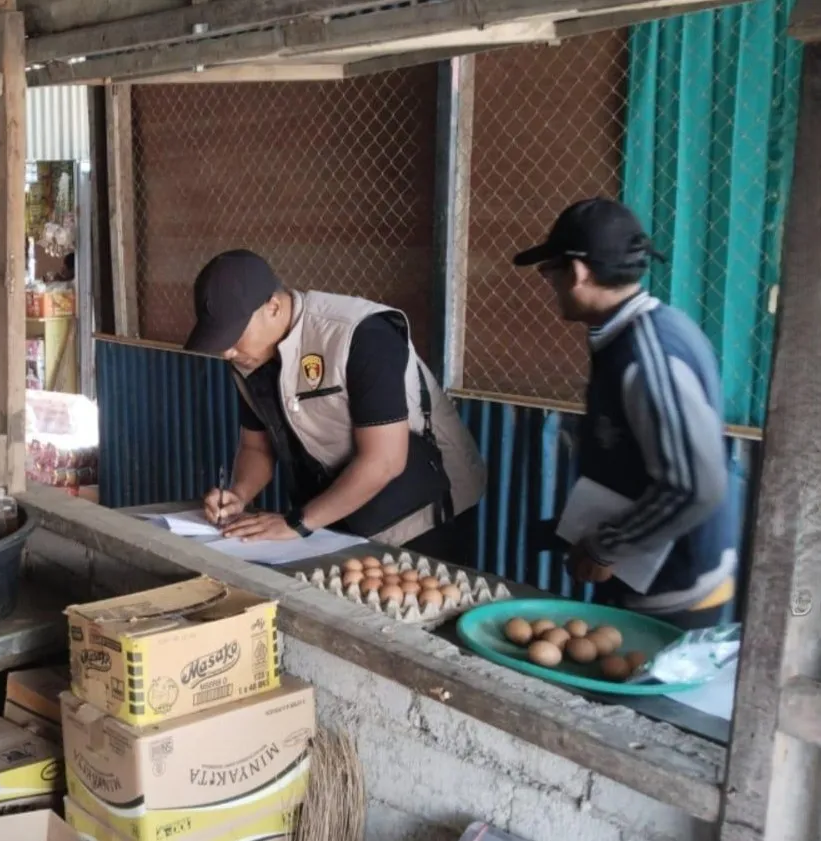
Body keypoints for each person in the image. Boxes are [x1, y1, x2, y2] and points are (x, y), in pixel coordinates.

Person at [514, 198, 737, 628]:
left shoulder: (647, 358)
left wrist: (605, 546)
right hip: (650, 572)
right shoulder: (640, 334)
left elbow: (695, 488)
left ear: (578, 272)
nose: (551, 285)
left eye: (550, 272)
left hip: (676, 590)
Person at [183, 250, 485, 547]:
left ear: (273, 307)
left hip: (421, 509)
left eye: (233, 336)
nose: (226, 352)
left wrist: (297, 524)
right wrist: (240, 494)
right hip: (336, 512)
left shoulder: (360, 335)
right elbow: (256, 445)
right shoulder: (248, 359)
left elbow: (385, 461)